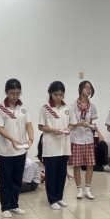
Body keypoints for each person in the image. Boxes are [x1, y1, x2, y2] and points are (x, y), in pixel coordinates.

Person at [0, 78, 34, 218]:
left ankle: (14, 205)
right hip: (5, 151)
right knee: (5, 180)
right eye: (12, 93)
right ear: (6, 92)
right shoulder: (0, 108)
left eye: (18, 93)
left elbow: (29, 124)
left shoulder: (23, 107)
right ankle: (5, 207)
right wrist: (12, 139)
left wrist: (31, 138)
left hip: (20, 150)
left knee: (17, 179)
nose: (15, 96)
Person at [38, 81, 76, 210]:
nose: (58, 97)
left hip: (64, 146)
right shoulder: (45, 108)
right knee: (51, 174)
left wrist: (69, 128)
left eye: (61, 95)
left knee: (61, 173)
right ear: (50, 94)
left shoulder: (68, 108)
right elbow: (40, 126)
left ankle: (59, 197)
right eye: (56, 94)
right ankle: (52, 199)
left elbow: (72, 123)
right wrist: (52, 130)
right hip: (51, 147)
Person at [69, 80, 98, 200]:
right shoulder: (72, 106)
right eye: (86, 87)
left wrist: (92, 127)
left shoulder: (92, 106)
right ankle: (79, 190)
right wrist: (81, 124)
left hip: (88, 138)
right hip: (76, 138)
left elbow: (92, 122)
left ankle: (88, 189)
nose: (88, 90)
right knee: (77, 165)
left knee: (90, 164)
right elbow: (70, 123)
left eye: (90, 88)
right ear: (80, 89)